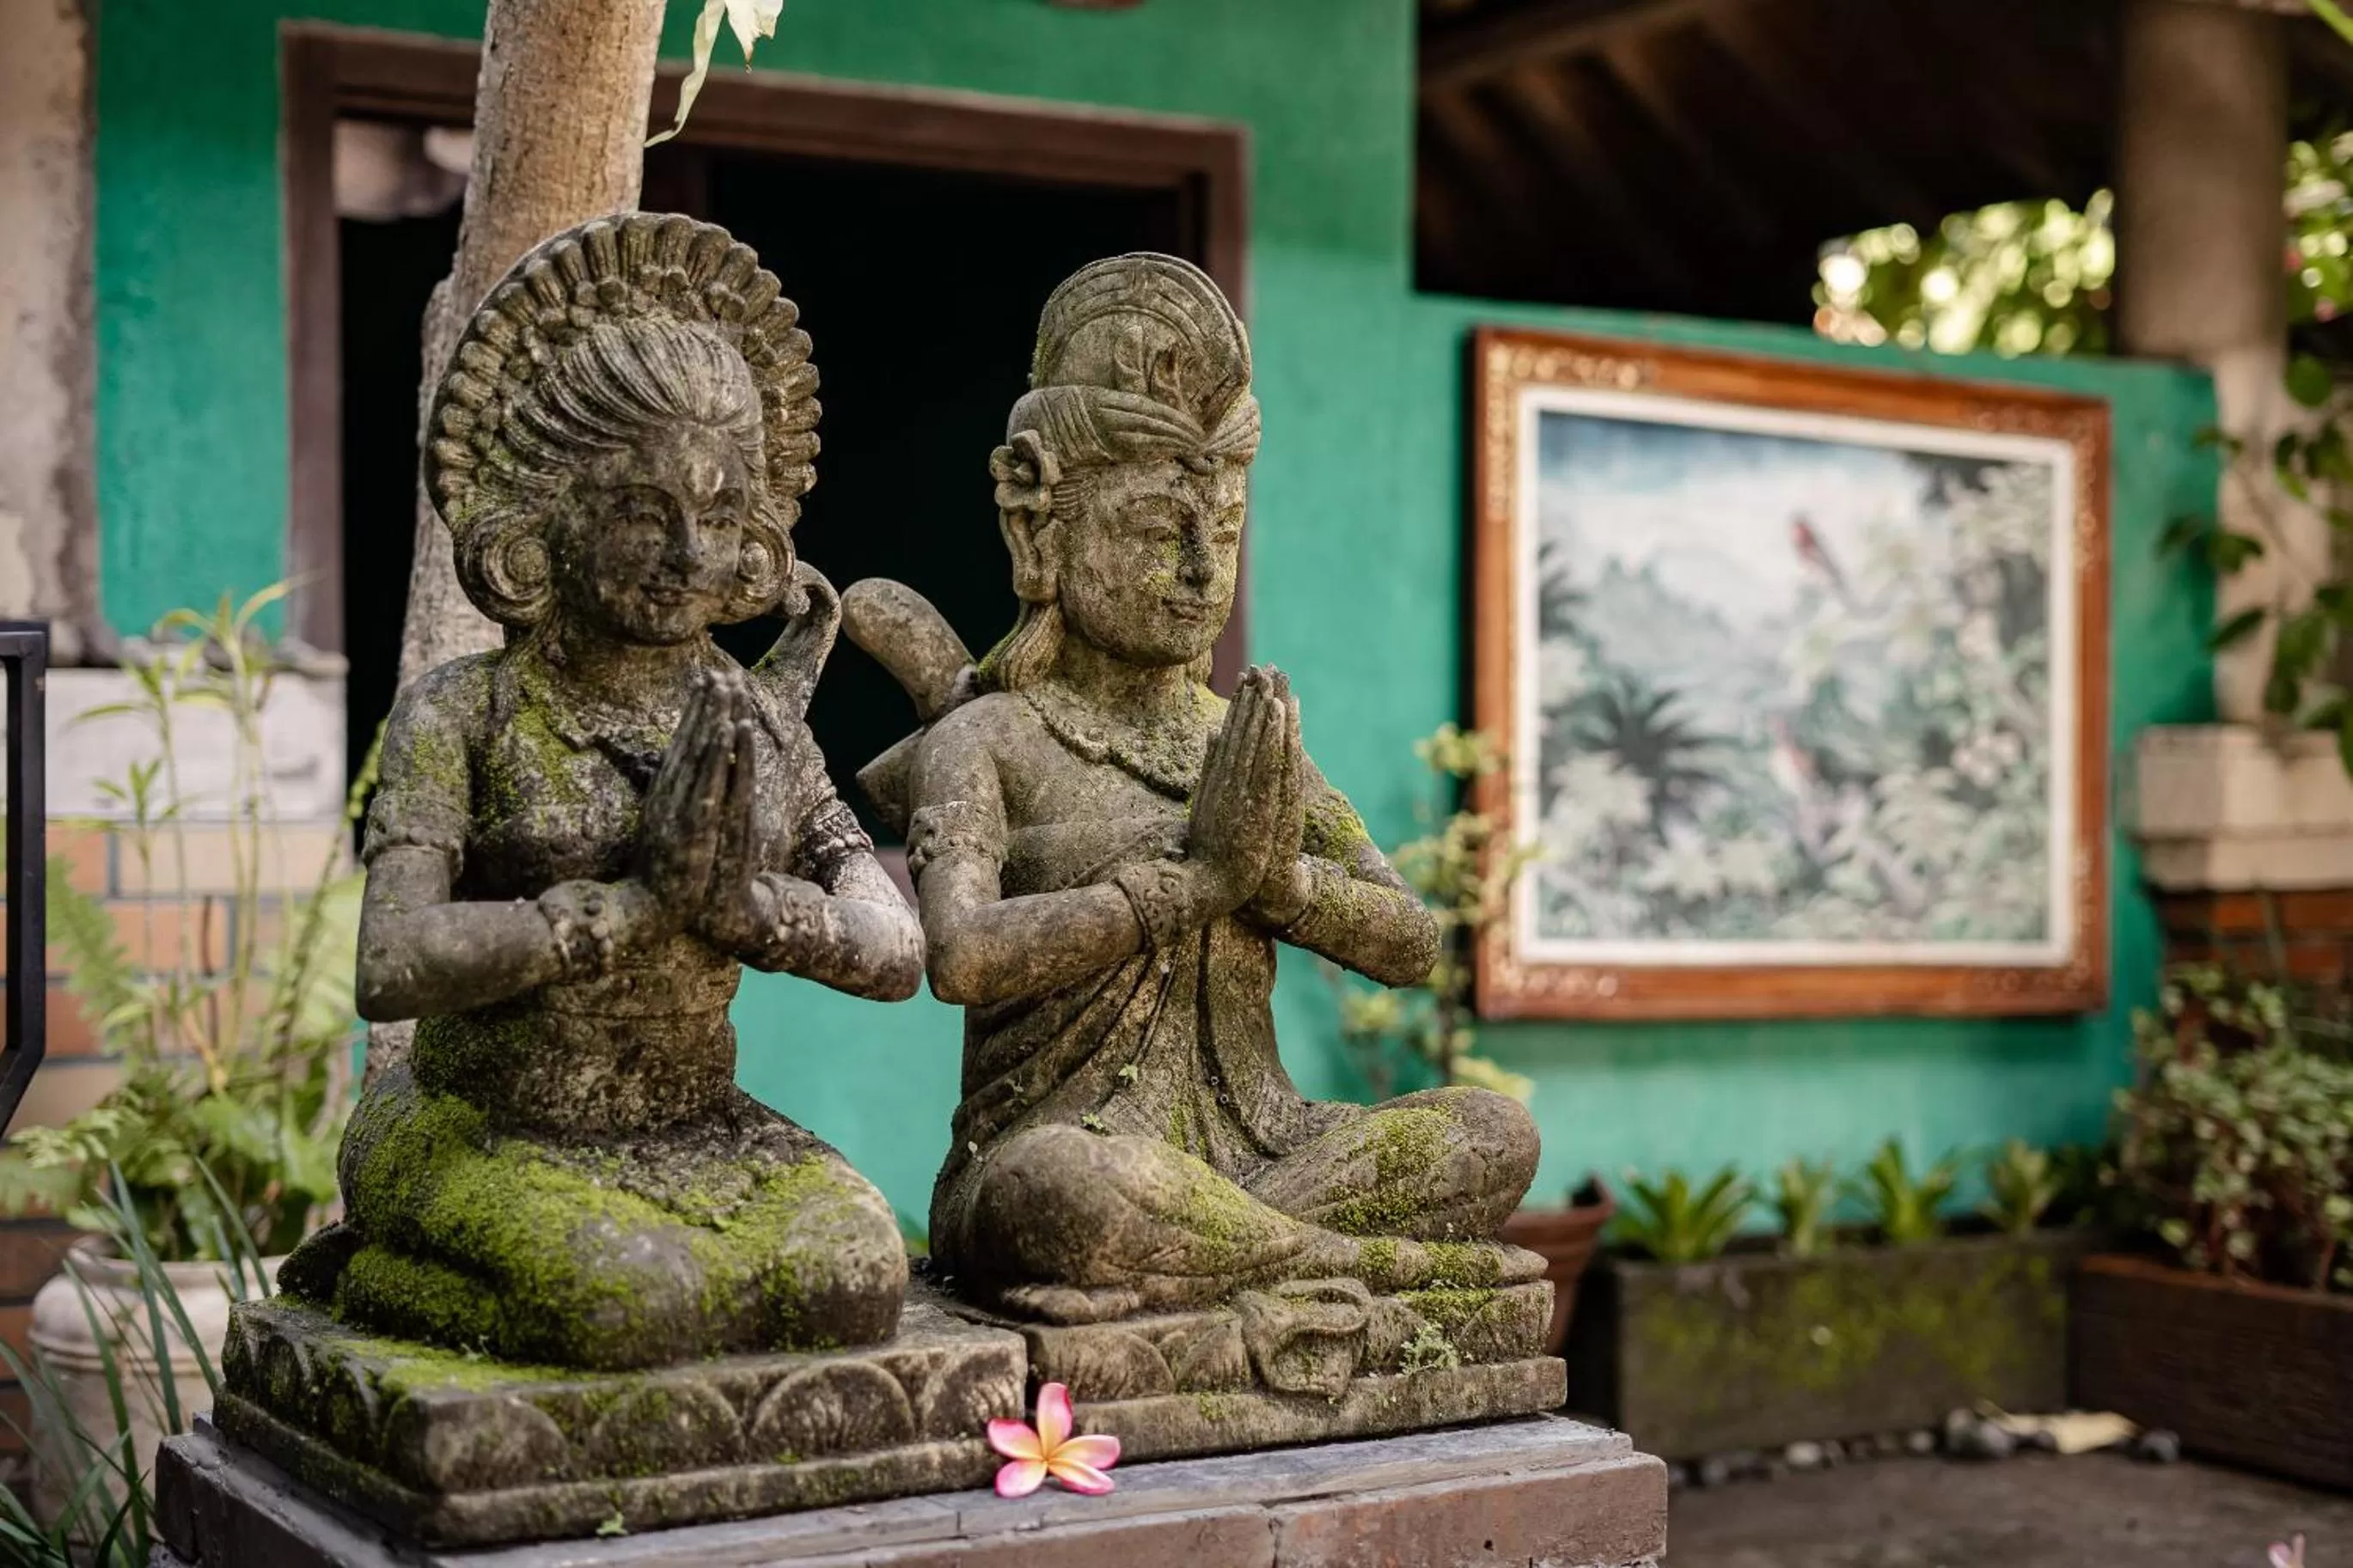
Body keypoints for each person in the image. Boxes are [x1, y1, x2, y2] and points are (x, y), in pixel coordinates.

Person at [279, 214, 920, 1370]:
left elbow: (895, 946)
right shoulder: (464, 711)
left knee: (857, 1278)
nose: (685, 552)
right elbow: (390, 962)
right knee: (641, 1307)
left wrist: (754, 915)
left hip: (693, 1122)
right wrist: (630, 908)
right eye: (640, 509)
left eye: (720, 516)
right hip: (480, 1123)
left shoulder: (747, 716)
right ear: (546, 518)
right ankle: (383, 1268)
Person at [874, 253, 1543, 1327]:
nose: (1198, 569)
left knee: (1489, 1135)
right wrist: (1191, 885)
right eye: (1156, 530)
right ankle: (1362, 1268)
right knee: (1063, 1193)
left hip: (1257, 1154)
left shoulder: (1239, 738)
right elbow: (960, 954)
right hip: (1066, 1152)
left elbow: (1410, 943)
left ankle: (1258, 1256)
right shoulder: (991, 738)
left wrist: (1273, 882)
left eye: (1222, 532)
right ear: (1040, 533)